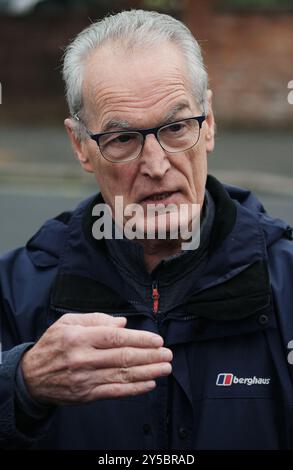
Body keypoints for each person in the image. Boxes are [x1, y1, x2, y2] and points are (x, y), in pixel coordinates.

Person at [0, 9, 293, 451]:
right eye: (122, 139)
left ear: (208, 123)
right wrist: (22, 384)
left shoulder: (287, 282)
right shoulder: (15, 292)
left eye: (176, 128)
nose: (156, 166)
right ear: (81, 146)